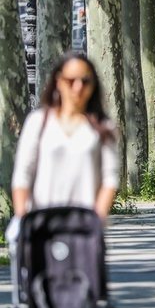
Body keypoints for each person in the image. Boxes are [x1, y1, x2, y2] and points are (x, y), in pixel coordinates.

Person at [11, 53, 119, 227]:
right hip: (41, 226)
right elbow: (23, 175)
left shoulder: (103, 128)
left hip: (84, 228)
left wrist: (97, 218)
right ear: (58, 81)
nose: (78, 87)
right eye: (71, 81)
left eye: (85, 81)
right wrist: (22, 218)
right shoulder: (38, 122)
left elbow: (110, 179)